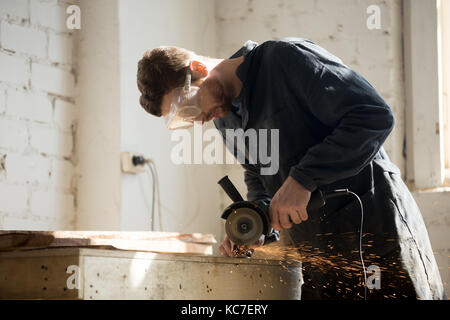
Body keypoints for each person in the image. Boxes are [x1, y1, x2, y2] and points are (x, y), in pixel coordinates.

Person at [136, 38, 446, 300]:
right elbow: (260, 175)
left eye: (191, 106)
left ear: (199, 70)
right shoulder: (224, 116)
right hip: (319, 254)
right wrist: (255, 222)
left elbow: (373, 116)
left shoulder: (284, 59)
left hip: (376, 232)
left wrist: (302, 179)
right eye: (186, 119)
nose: (198, 119)